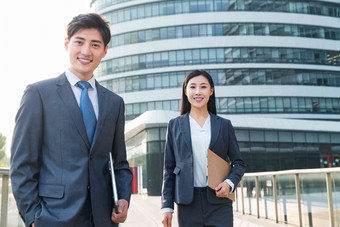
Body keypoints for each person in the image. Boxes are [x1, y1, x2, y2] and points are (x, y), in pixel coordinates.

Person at [10, 13, 132, 227]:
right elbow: (23, 164)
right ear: (67, 44)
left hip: (103, 219)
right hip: (52, 217)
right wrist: (32, 218)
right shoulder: (38, 94)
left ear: (104, 51)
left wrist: (123, 198)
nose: (86, 51)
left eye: (95, 45)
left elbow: (120, 163)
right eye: (79, 42)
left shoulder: (114, 103)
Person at [161, 70, 246, 227]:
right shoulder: (175, 125)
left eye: (203, 87)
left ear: (211, 91)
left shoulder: (224, 125)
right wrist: (167, 207)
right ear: (186, 91)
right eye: (192, 87)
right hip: (187, 204)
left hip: (219, 203)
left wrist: (229, 183)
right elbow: (169, 168)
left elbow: (239, 163)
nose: (198, 92)